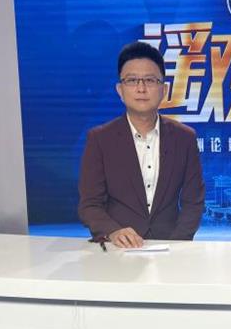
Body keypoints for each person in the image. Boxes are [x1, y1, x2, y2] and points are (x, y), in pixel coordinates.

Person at [78, 41, 205, 248]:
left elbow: (194, 203)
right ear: (120, 90)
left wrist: (176, 245)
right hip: (118, 250)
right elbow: (89, 205)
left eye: (150, 80)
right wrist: (113, 232)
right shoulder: (100, 139)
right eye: (132, 80)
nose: (141, 88)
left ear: (164, 89)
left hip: (171, 249)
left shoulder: (185, 138)